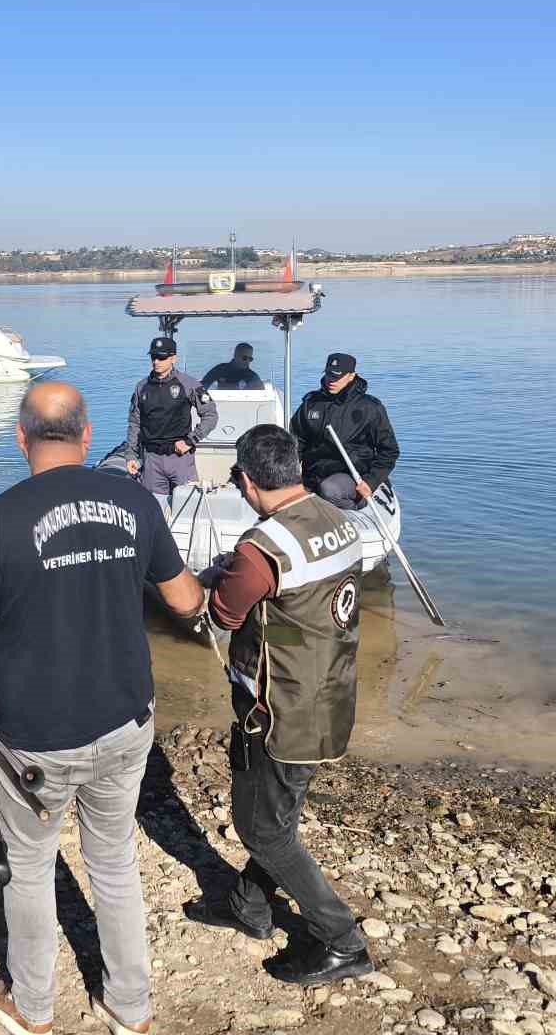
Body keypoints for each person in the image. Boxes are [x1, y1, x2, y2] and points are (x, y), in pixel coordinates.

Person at [0, 382, 203, 1035]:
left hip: (36, 737)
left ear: (21, 437)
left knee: (28, 873)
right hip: (125, 720)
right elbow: (186, 601)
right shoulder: (135, 500)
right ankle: (129, 1009)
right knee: (113, 862)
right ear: (87, 438)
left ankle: (31, 1006)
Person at [182, 424, 374, 985]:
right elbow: (304, 612)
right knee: (279, 815)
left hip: (279, 708)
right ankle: (249, 907)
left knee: (264, 830)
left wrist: (217, 576)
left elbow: (222, 616)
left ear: (247, 480)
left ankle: (341, 939)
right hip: (331, 691)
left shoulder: (262, 546)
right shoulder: (342, 522)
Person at [289, 352, 399, 509]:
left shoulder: (370, 408)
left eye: (336, 377)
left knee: (329, 489)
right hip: (313, 474)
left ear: (351, 376)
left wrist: (371, 481)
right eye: (328, 375)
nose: (331, 381)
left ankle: (351, 511)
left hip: (351, 477)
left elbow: (389, 451)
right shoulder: (311, 403)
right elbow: (296, 441)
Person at [125, 336, 218, 497]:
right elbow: (135, 423)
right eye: (154, 357)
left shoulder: (189, 384)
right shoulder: (141, 387)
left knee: (188, 507)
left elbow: (211, 415)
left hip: (180, 458)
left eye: (162, 357)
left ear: (173, 358)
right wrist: (131, 455)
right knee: (153, 510)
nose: (156, 362)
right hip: (151, 460)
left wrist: (191, 440)